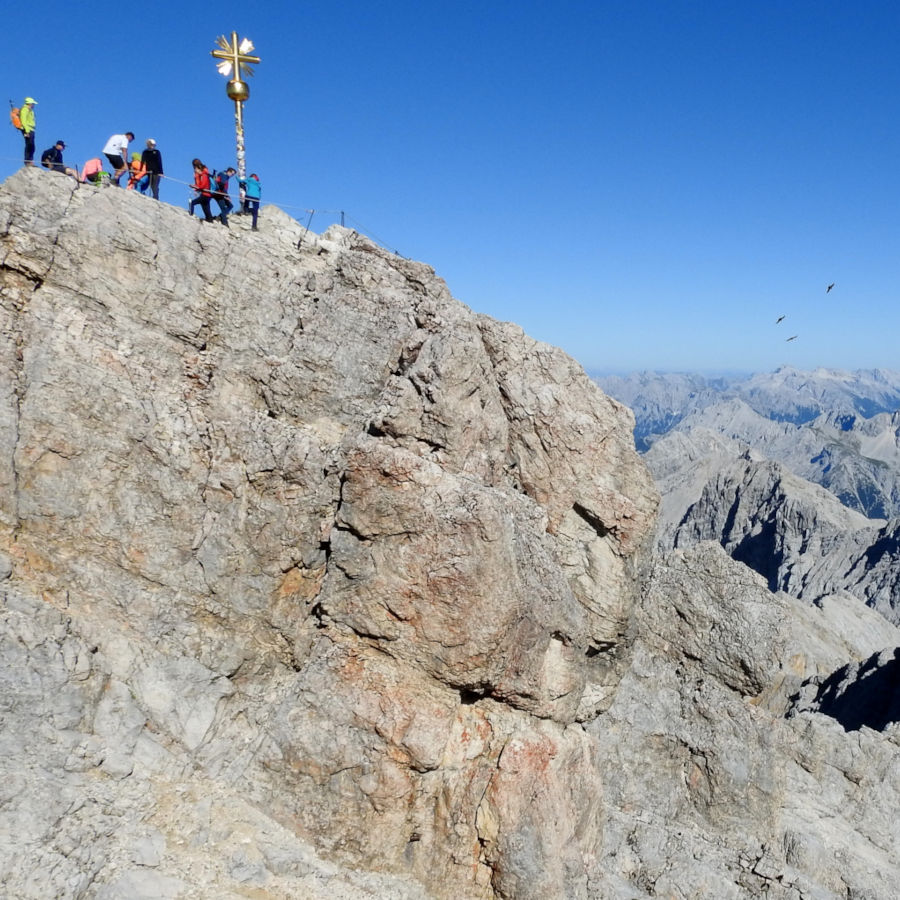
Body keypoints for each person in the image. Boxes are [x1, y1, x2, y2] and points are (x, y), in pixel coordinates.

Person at [20, 98, 37, 166]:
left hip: (31, 129)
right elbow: (23, 121)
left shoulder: (30, 110)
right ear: (30, 103)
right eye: (33, 103)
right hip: (27, 130)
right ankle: (27, 161)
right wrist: (27, 131)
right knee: (29, 145)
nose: (33, 105)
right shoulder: (25, 110)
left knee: (32, 146)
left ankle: (30, 160)